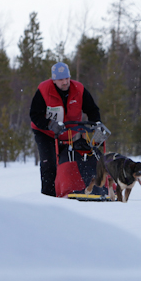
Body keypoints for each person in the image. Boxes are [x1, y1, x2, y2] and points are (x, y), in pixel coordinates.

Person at [30, 62, 102, 196]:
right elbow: (34, 115)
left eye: (67, 78)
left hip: (69, 132)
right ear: (54, 80)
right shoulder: (44, 90)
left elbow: (92, 110)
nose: (65, 82)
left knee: (71, 161)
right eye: (61, 79)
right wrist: (50, 124)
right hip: (46, 132)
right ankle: (49, 196)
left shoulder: (79, 89)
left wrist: (96, 124)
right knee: (49, 162)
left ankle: (73, 191)